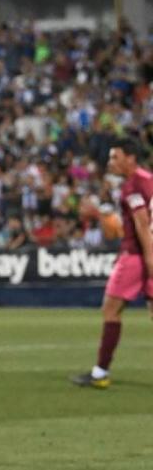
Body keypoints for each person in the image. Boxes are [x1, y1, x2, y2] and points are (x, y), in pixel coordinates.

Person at [72, 139, 153, 389]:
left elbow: (141, 224)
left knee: (111, 310)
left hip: (136, 255)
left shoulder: (133, 185)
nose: (110, 162)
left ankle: (100, 373)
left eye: (115, 157)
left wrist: (150, 259)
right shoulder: (148, 179)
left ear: (130, 157)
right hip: (144, 252)